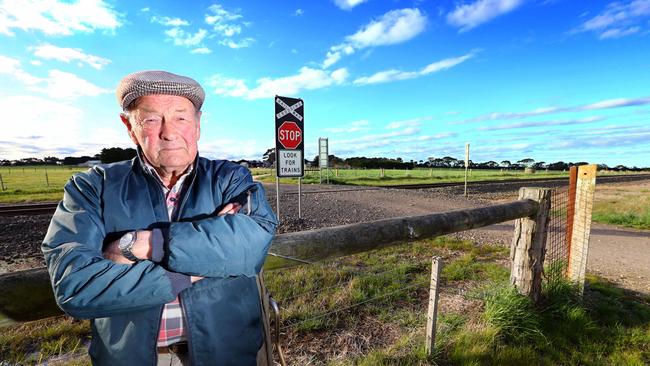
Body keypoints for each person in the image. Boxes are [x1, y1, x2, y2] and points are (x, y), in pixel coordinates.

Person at [42, 70, 278, 365]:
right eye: (152, 119)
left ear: (198, 123)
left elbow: (253, 241)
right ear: (129, 127)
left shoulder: (229, 178)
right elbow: (75, 286)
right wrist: (198, 264)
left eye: (181, 117)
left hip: (226, 355)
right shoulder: (92, 187)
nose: (169, 132)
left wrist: (143, 244)